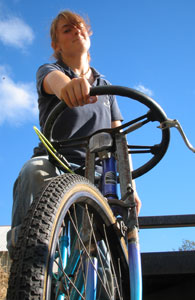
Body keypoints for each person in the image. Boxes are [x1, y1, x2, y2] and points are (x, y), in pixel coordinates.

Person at [7, 9, 141, 261]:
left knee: (100, 248)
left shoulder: (106, 87)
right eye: (67, 30)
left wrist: (130, 185)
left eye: (79, 26)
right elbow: (54, 82)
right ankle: (26, 258)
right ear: (56, 45)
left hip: (98, 174)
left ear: (88, 35)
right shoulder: (50, 70)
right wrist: (69, 87)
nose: (76, 31)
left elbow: (119, 139)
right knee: (32, 172)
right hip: (56, 164)